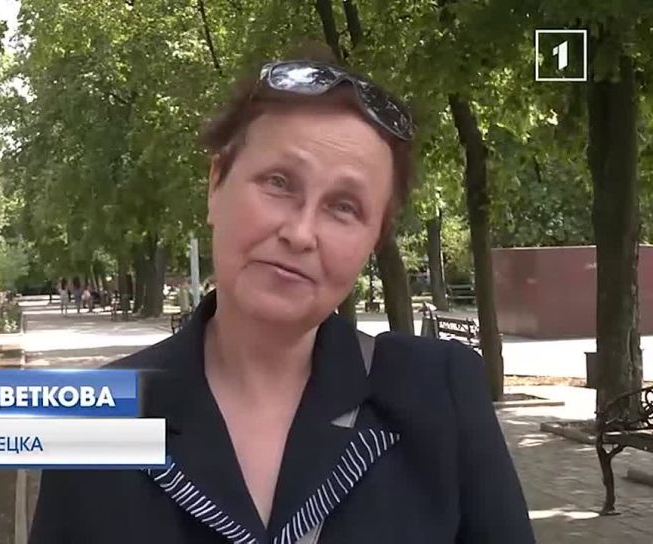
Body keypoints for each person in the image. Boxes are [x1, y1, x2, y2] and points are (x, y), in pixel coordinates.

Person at [29, 57, 534, 543]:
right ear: (215, 185)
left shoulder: (439, 397)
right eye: (279, 183)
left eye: (344, 207)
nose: (300, 233)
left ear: (373, 241)